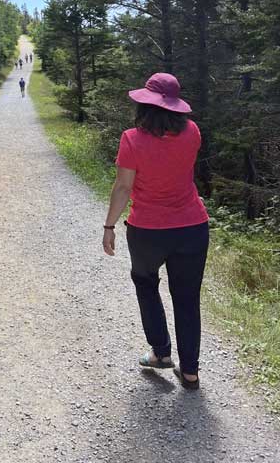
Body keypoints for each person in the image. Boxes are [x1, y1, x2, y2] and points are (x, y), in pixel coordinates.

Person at [102, 73, 209, 390]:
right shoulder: (193, 132)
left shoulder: (132, 139)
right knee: (187, 299)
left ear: (145, 106)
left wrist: (109, 225)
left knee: (146, 283)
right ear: (176, 106)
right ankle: (190, 372)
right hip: (192, 227)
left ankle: (161, 353)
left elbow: (123, 187)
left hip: (148, 229)